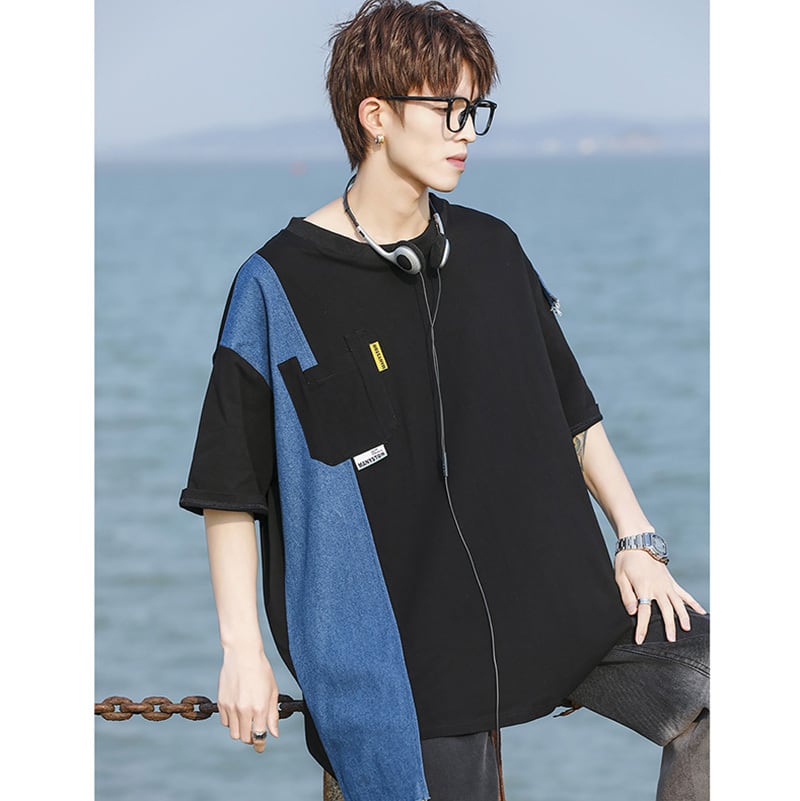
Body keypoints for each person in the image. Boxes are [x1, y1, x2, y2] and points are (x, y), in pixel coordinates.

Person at [179, 2, 710, 800]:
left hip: (549, 598)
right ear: (376, 116)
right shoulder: (276, 285)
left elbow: (574, 410)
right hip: (398, 657)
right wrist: (242, 649)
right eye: (446, 109)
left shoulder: (493, 249)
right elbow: (232, 488)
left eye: (474, 110)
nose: (465, 131)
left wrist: (637, 539)